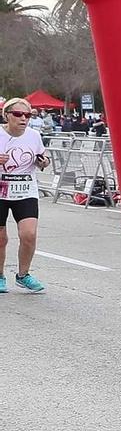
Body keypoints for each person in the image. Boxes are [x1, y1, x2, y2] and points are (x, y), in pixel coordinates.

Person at [0, 98, 52, 293]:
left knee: (28, 234)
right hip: (1, 190)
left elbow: (42, 159)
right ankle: (0, 276)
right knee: (1, 238)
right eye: (18, 114)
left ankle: (23, 275)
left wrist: (43, 162)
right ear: (7, 115)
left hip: (25, 190)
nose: (24, 119)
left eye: (28, 115)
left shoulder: (34, 135)